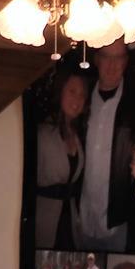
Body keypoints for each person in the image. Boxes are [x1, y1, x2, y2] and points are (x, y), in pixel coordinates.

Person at [74, 40, 135, 251]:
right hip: (81, 220)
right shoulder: (82, 102)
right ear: (96, 59)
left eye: (119, 57)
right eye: (107, 56)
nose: (112, 65)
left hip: (118, 223)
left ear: (126, 61)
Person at [33, 70, 89, 250]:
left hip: (69, 217)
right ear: (60, 92)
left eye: (82, 95)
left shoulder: (77, 135)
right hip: (44, 217)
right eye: (72, 91)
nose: (77, 99)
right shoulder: (42, 133)